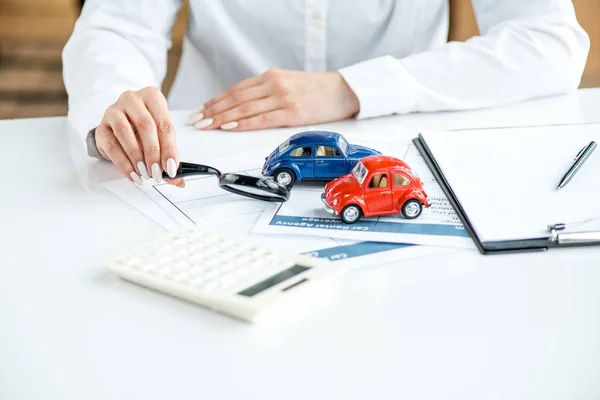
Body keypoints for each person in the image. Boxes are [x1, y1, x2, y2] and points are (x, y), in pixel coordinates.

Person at [62, 0, 590, 187]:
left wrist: (351, 90)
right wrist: (117, 96)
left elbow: (551, 42)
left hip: (399, 161)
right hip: (198, 162)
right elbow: (116, 27)